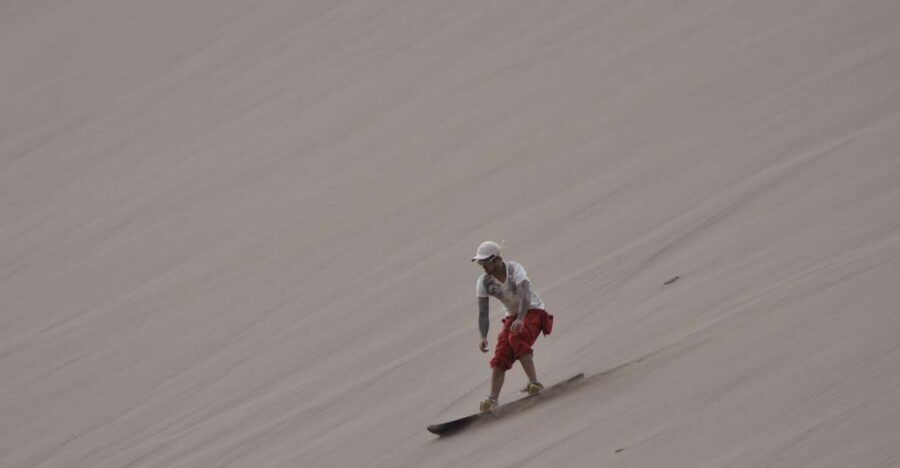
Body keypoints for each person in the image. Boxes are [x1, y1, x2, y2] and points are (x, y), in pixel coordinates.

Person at [472, 241, 553, 412]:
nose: (482, 265)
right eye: (480, 262)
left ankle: (534, 382)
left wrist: (521, 318)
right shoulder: (484, 282)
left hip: (533, 311)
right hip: (512, 316)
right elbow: (483, 312)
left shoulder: (515, 269)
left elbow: (524, 295)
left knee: (516, 336)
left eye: (485, 261)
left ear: (497, 259)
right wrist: (483, 336)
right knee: (501, 352)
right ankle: (492, 399)